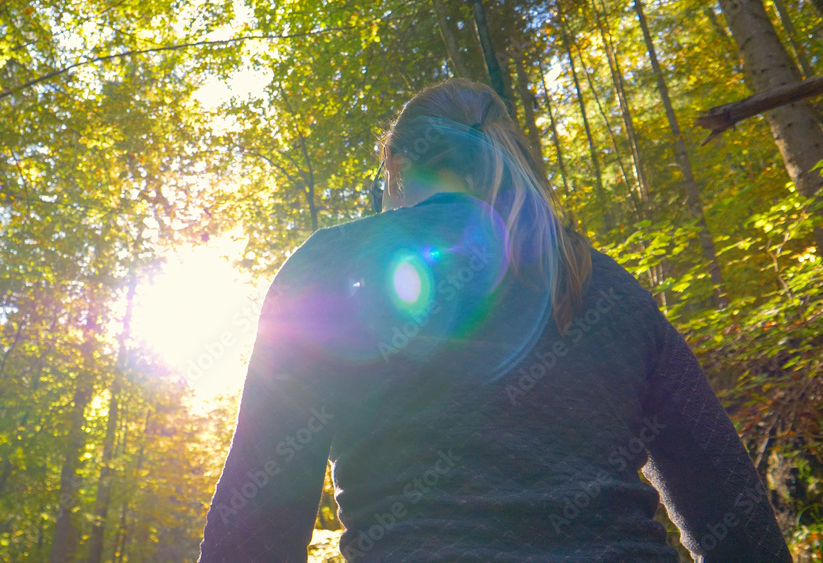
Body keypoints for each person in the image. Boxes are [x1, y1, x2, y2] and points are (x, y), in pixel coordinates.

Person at [197, 78, 791, 562]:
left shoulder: (333, 265)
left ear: (397, 165)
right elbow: (731, 507)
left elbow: (257, 516)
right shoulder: (601, 282)